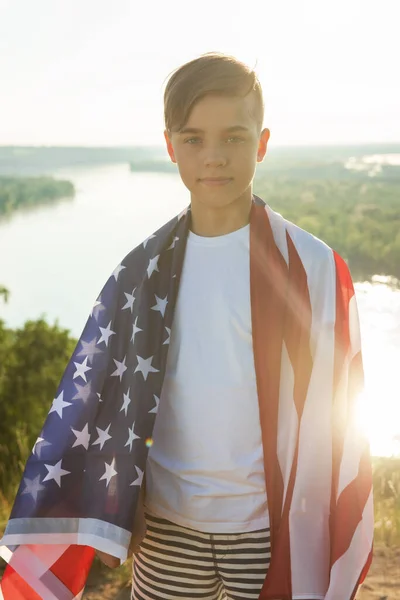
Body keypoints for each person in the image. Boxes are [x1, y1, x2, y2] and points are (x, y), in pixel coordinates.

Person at [0, 52, 373, 600]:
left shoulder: (310, 267)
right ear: (171, 145)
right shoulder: (140, 272)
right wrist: (124, 501)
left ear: (263, 143)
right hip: (168, 528)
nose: (214, 157)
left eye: (234, 138)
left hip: (269, 530)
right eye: (194, 139)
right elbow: (109, 396)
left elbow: (339, 407)